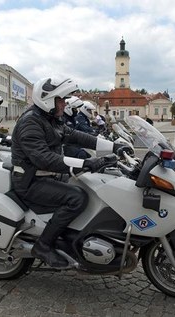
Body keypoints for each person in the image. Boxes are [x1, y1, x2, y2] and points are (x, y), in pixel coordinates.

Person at [11, 75, 132, 268]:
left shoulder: (50, 119)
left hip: (48, 176)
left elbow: (77, 136)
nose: (64, 104)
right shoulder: (30, 123)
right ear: (48, 100)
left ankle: (75, 237)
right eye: (61, 100)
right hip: (30, 181)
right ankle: (43, 245)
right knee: (77, 197)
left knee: (95, 186)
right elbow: (44, 159)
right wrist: (85, 162)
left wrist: (114, 146)